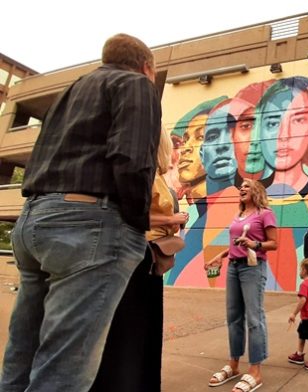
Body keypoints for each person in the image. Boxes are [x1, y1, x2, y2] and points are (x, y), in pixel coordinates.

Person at [1, 33, 161, 392]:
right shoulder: (136, 83)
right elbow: (132, 160)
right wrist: (137, 224)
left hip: (34, 219)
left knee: (22, 350)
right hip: (89, 225)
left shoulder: (70, 93)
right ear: (147, 67)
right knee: (65, 367)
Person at [90, 128, 189, 392]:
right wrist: (171, 219)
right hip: (136, 254)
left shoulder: (154, 175)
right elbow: (129, 214)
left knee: (141, 332)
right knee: (131, 331)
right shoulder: (143, 173)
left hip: (149, 258)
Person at [205, 179, 277, 392]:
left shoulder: (265, 213)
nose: (242, 189)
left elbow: (273, 243)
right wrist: (220, 255)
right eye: (241, 187)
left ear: (256, 191)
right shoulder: (238, 215)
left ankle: (255, 370)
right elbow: (235, 243)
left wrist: (255, 244)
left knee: (255, 318)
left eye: (247, 186)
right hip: (233, 267)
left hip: (253, 267)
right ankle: (234, 364)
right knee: (233, 317)